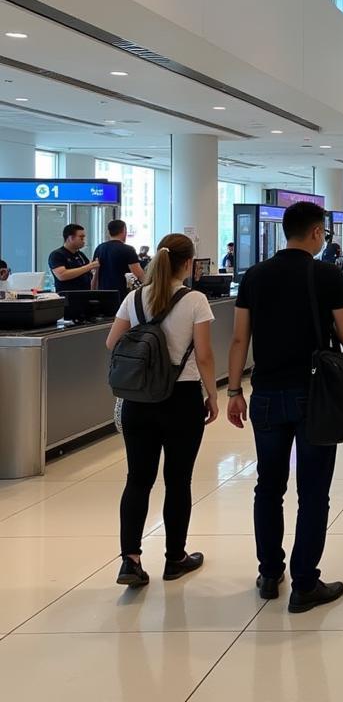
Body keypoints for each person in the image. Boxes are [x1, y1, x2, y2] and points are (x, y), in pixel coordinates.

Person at [226, 201, 343, 614]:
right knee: (313, 490)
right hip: (314, 394)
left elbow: (238, 339)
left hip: (265, 393)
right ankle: (305, 582)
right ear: (317, 233)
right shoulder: (326, 274)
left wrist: (233, 391)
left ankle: (269, 573)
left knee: (269, 486)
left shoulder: (255, 275)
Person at [106, 233, 218, 588]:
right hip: (181, 399)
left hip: (139, 401)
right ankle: (175, 558)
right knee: (177, 480)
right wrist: (213, 394)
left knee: (138, 480)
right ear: (188, 263)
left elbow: (112, 343)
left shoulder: (134, 297)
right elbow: (203, 354)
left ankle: (131, 560)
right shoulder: (195, 299)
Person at [91, 219, 145, 299]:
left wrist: (93, 290)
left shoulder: (99, 248)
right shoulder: (128, 249)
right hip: (120, 293)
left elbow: (96, 273)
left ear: (109, 232)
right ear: (124, 231)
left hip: (102, 292)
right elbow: (138, 274)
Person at [49, 223, 99, 293]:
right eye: (81, 237)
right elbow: (62, 275)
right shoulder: (57, 255)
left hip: (84, 296)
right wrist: (89, 266)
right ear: (71, 238)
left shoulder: (81, 255)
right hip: (67, 298)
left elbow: (89, 275)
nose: (84, 240)